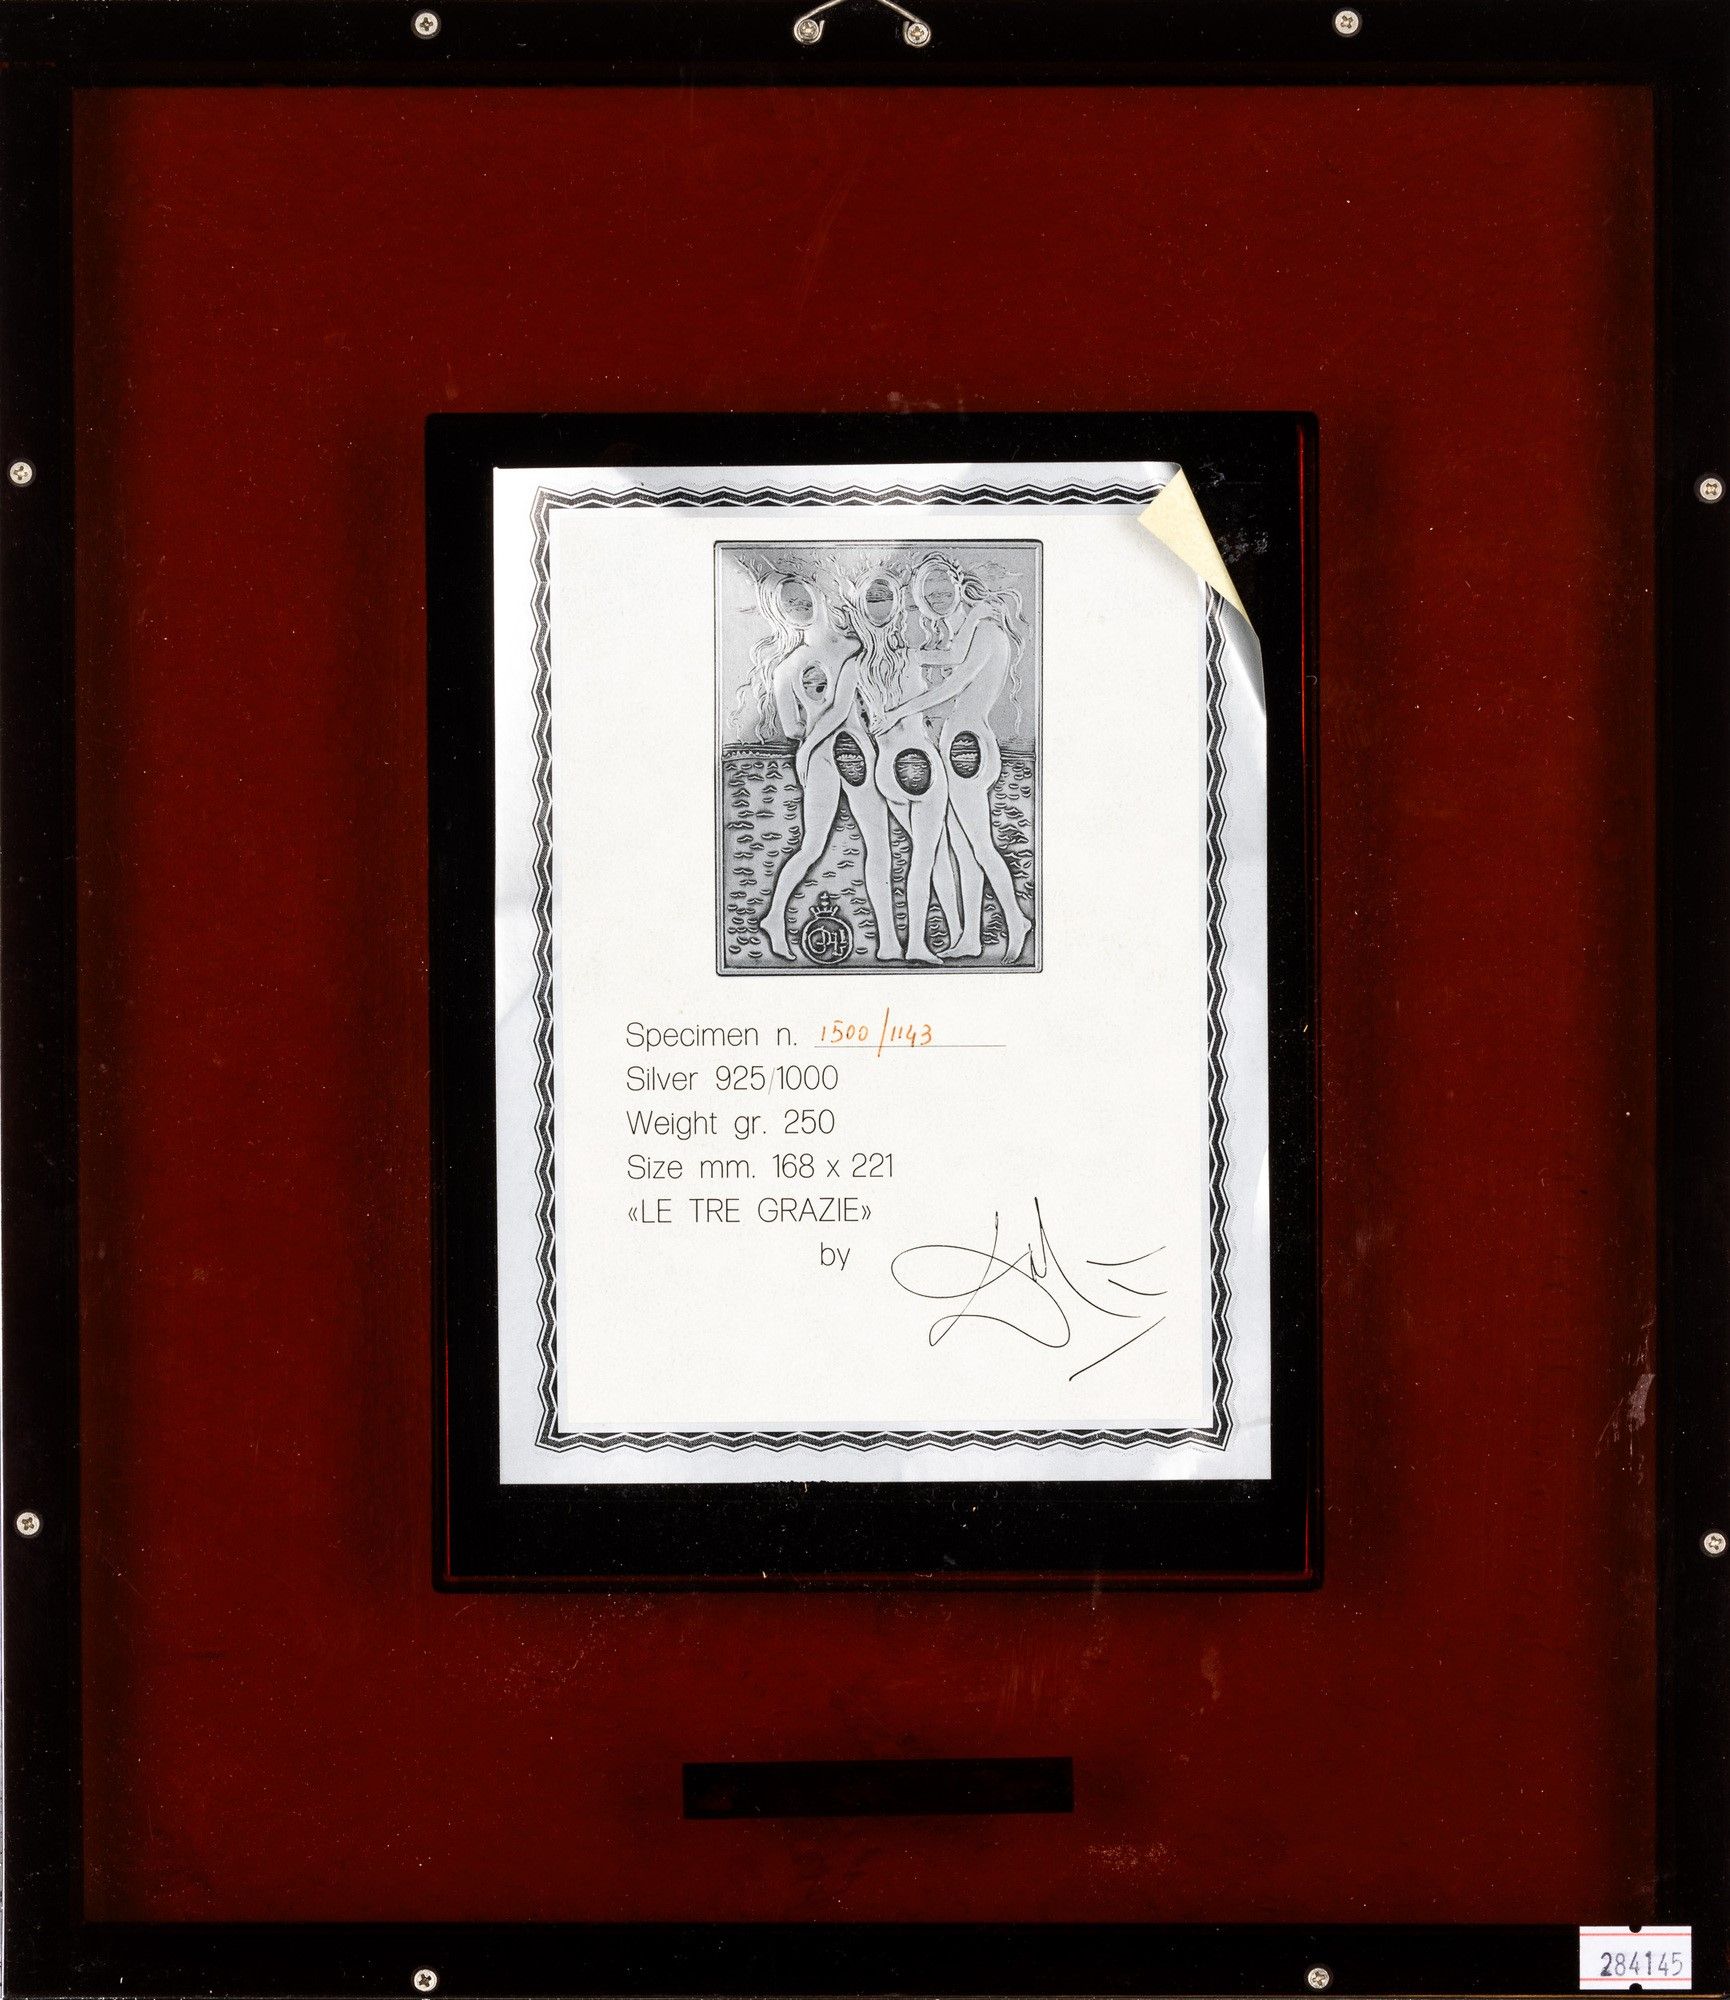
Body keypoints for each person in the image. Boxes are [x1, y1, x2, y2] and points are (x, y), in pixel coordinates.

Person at [883, 557, 1032, 963]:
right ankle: (970, 937)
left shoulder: (985, 631)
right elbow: (948, 659)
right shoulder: (962, 636)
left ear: (959, 584)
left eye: (942, 588)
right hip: (957, 741)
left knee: (980, 844)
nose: (936, 597)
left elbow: (955, 681)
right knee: (963, 848)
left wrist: (898, 712)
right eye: (927, 593)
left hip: (968, 744)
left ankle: (1016, 919)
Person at [749, 572, 900, 963]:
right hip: (843, 754)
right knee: (824, 846)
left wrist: (811, 740)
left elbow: (796, 728)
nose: (799, 607)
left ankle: (888, 942)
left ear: (816, 596)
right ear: (778, 613)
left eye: (801, 599)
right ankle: (776, 918)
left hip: (830, 755)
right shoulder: (804, 664)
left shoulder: (838, 652)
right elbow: (792, 727)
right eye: (790, 604)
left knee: (867, 846)